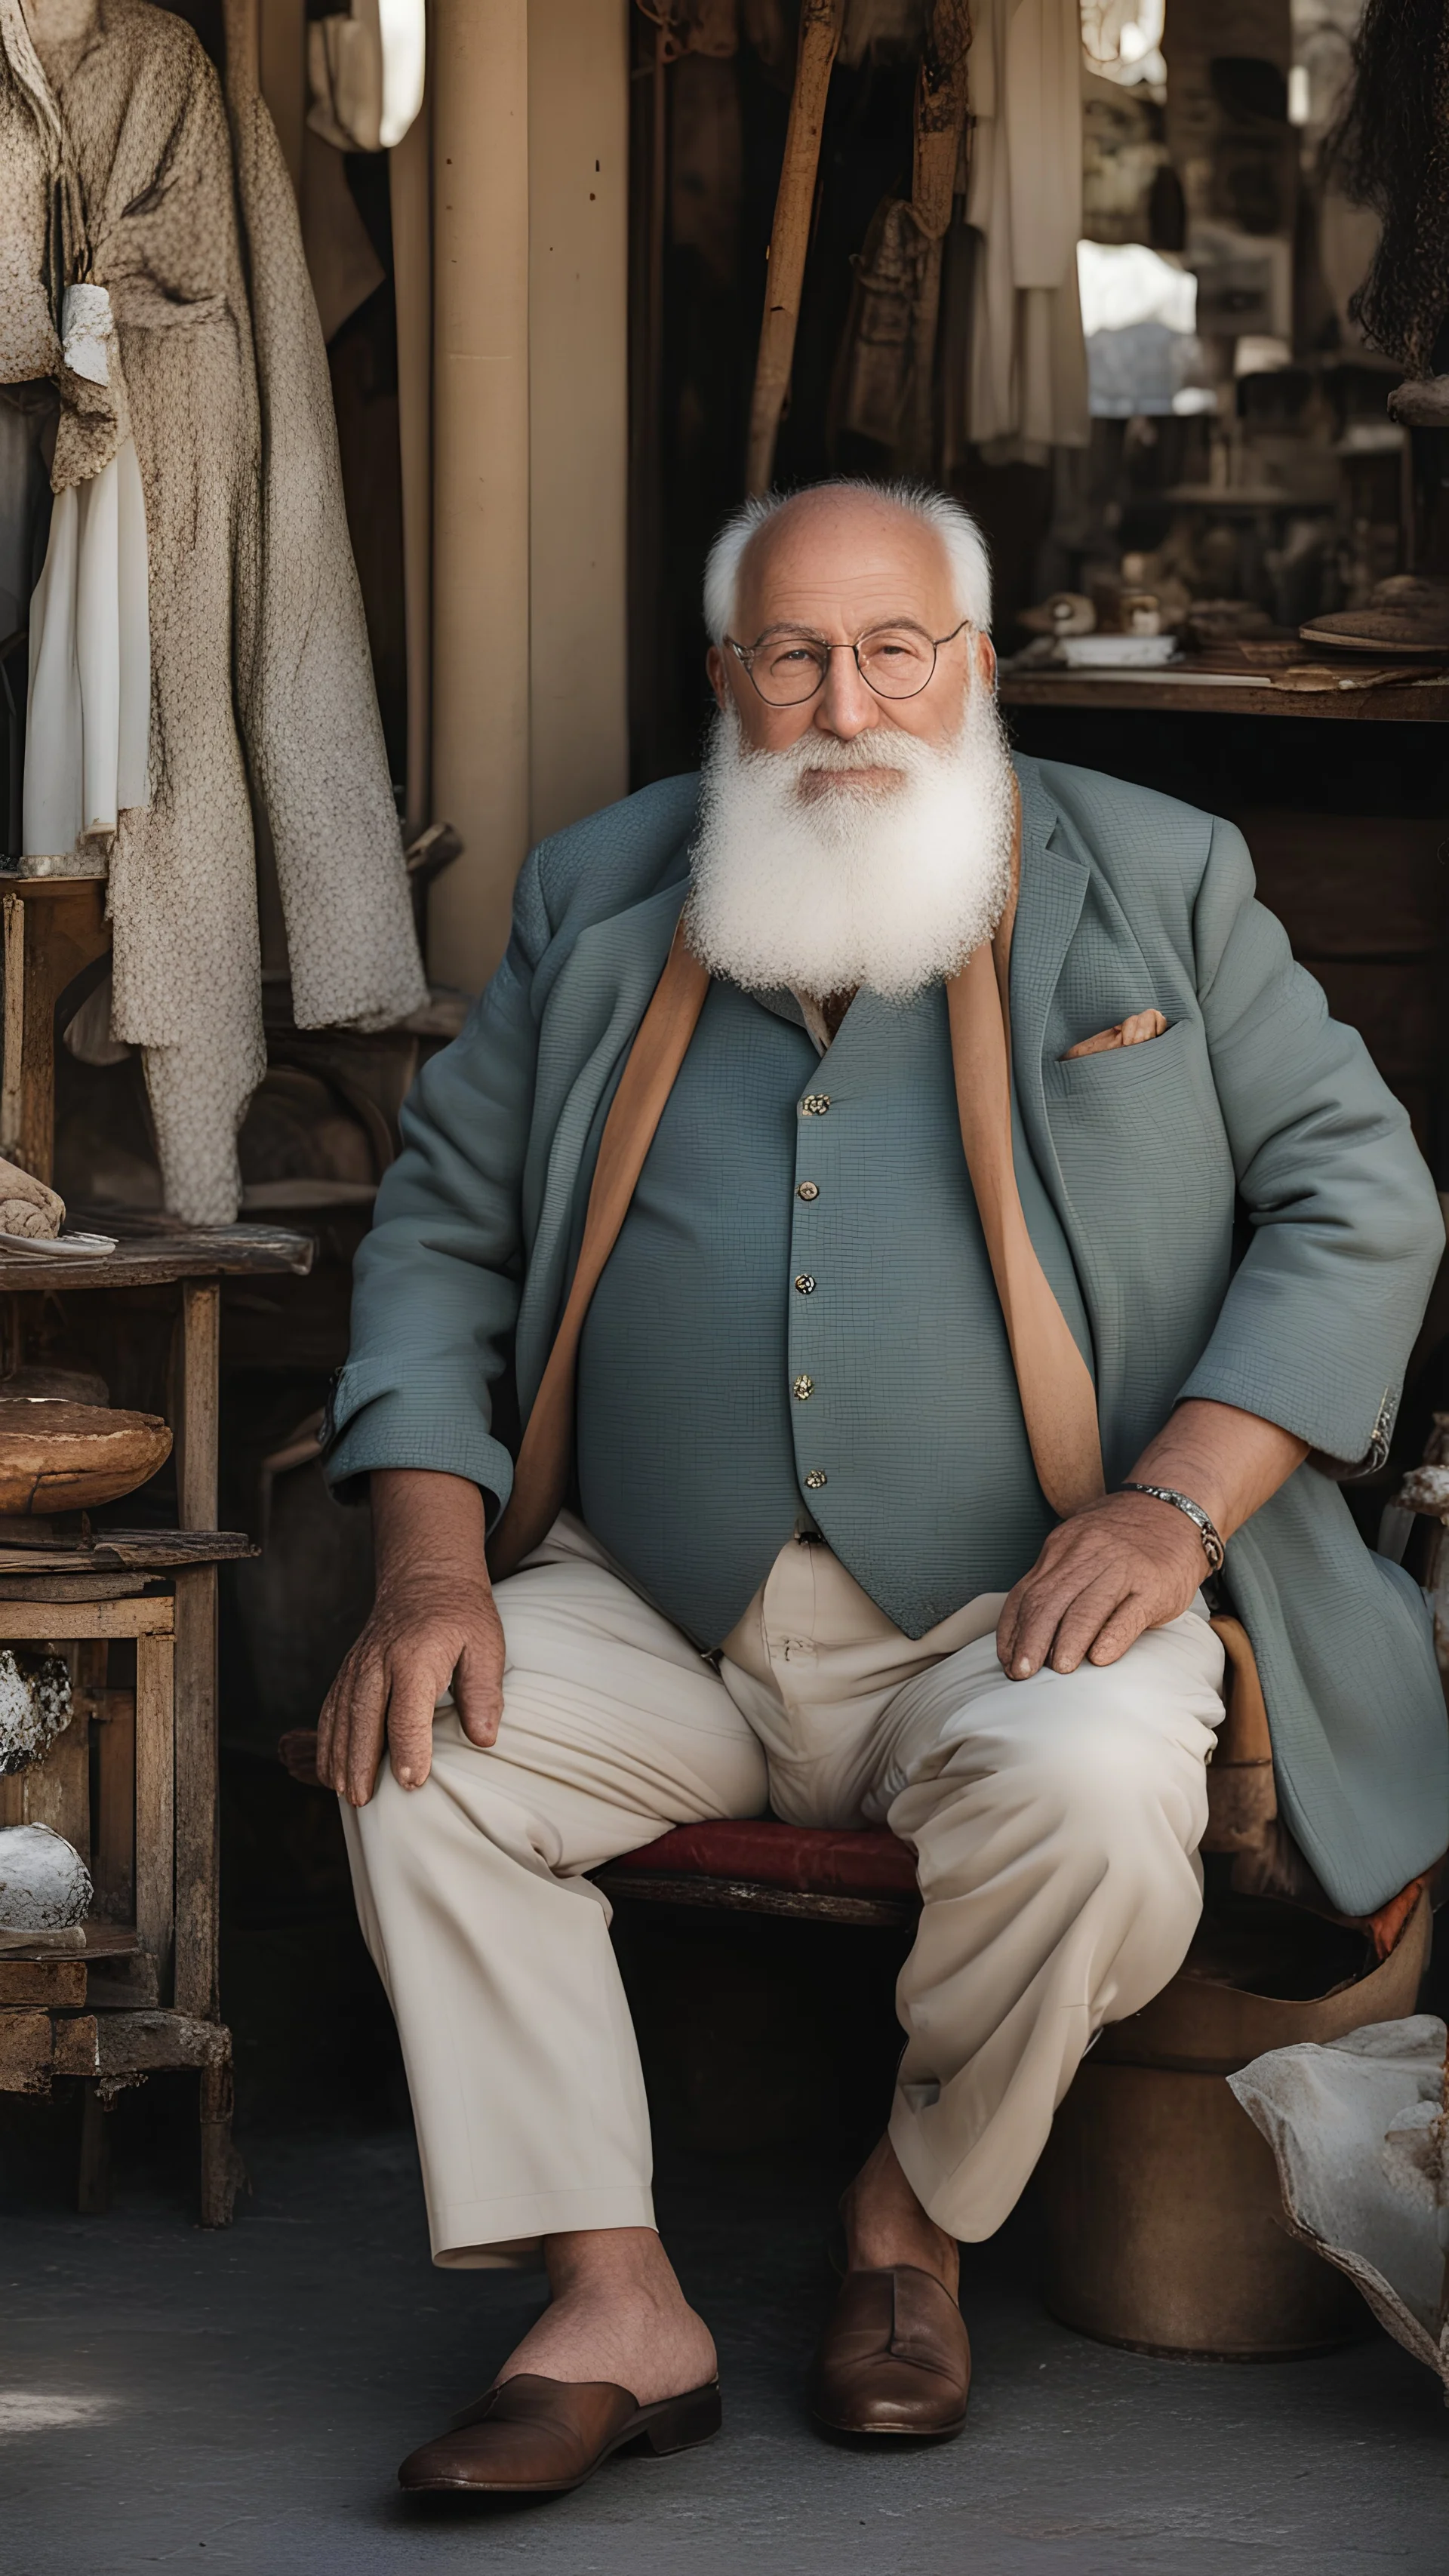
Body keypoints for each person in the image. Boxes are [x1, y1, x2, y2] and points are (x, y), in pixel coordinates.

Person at [317, 479, 1448, 2498]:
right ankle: (609, 2288)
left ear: (978, 668)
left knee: (1100, 1794)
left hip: (1017, 1604)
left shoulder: (1159, 879)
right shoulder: (603, 889)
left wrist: (1178, 1496)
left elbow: (1361, 1198)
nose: (851, 704)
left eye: (897, 649)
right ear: (729, 684)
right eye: (797, 656)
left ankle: (910, 2216)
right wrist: (423, 1560)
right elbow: (438, 1234)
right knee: (417, 1747)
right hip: (653, 1599)